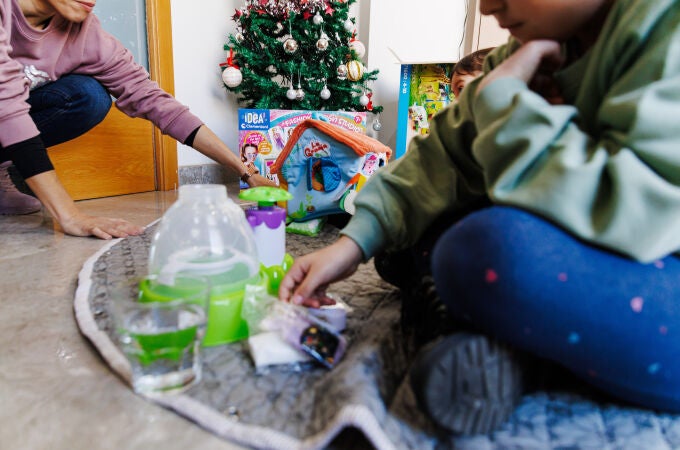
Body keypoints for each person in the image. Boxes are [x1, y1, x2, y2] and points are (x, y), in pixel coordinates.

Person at [279, 0, 680, 436]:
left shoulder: (667, 28)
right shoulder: (527, 48)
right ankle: (506, 342)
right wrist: (350, 246)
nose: (488, 7)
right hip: (578, 255)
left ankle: (505, 347)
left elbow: (627, 211)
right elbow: (442, 156)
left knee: (485, 250)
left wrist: (505, 105)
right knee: (398, 241)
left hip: (657, 268)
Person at [0, 0, 272, 238]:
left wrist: (244, 170)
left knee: (88, 96)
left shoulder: (85, 33)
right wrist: (70, 215)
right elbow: (7, 106)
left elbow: (155, 102)